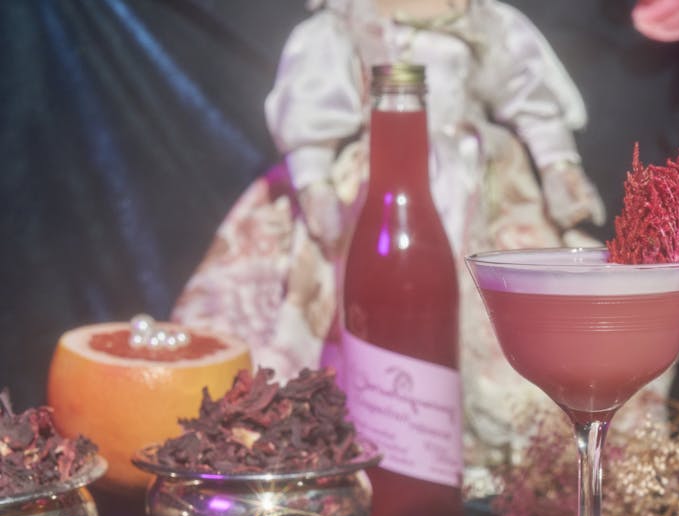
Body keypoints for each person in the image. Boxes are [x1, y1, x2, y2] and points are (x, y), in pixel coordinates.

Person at [173, 0, 631, 487]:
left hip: (477, 181)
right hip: (383, 171)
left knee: (500, 308)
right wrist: (313, 182)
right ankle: (366, 442)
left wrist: (559, 166)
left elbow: (530, 94)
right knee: (352, 295)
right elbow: (312, 105)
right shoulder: (346, 19)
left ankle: (490, 454)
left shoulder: (481, 17)